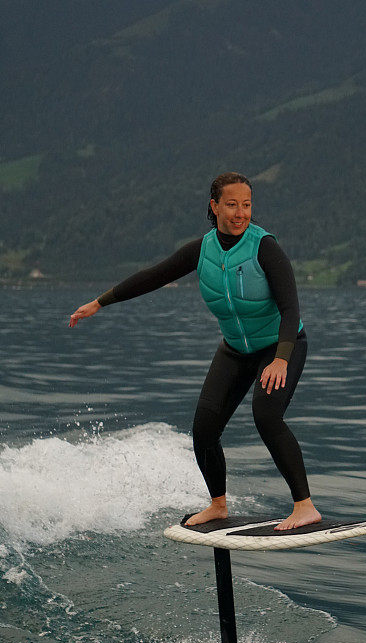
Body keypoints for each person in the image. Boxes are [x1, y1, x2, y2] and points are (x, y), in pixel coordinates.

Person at [69, 171, 321, 530]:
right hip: (236, 350)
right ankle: (218, 505)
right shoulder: (201, 251)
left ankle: (305, 505)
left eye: (246, 205)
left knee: (266, 416)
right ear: (214, 206)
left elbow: (290, 308)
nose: (240, 213)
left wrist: (281, 359)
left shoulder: (265, 247)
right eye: (231, 205)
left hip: (282, 345)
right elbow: (153, 276)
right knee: (204, 428)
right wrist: (99, 302)